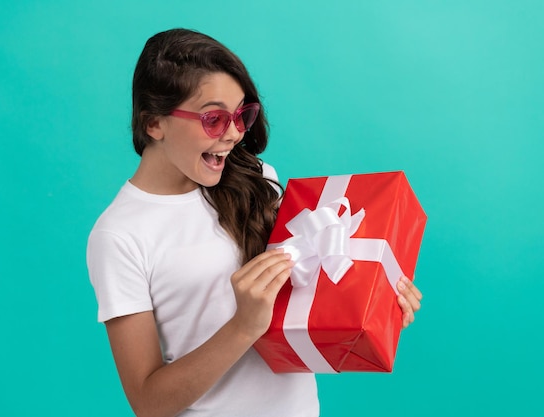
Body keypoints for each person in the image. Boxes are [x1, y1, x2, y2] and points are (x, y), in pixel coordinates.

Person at [86, 28, 423, 417]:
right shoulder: (118, 236)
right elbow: (148, 402)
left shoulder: (256, 178)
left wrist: (377, 293)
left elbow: (304, 301)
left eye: (242, 115)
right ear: (153, 124)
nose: (233, 134)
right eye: (213, 118)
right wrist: (242, 326)